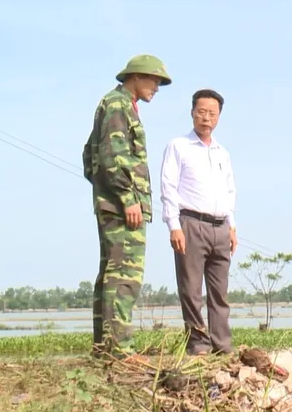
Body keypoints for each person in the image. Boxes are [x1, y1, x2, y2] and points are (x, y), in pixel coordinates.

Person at [82, 54, 172, 360]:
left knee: (112, 273)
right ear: (135, 76)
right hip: (122, 206)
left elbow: (89, 156)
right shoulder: (118, 104)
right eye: (154, 80)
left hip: (114, 203)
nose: (157, 88)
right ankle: (118, 349)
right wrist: (126, 197)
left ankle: (105, 345)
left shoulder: (116, 105)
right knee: (124, 277)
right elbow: (112, 155)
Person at [159, 89, 237, 356]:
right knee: (191, 288)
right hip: (190, 223)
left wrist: (232, 224)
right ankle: (198, 345)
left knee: (220, 292)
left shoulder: (221, 153)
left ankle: (222, 346)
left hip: (220, 227)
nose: (206, 118)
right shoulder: (178, 146)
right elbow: (168, 187)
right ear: (192, 112)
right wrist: (173, 225)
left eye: (212, 114)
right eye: (201, 112)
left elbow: (229, 191)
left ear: (219, 117)